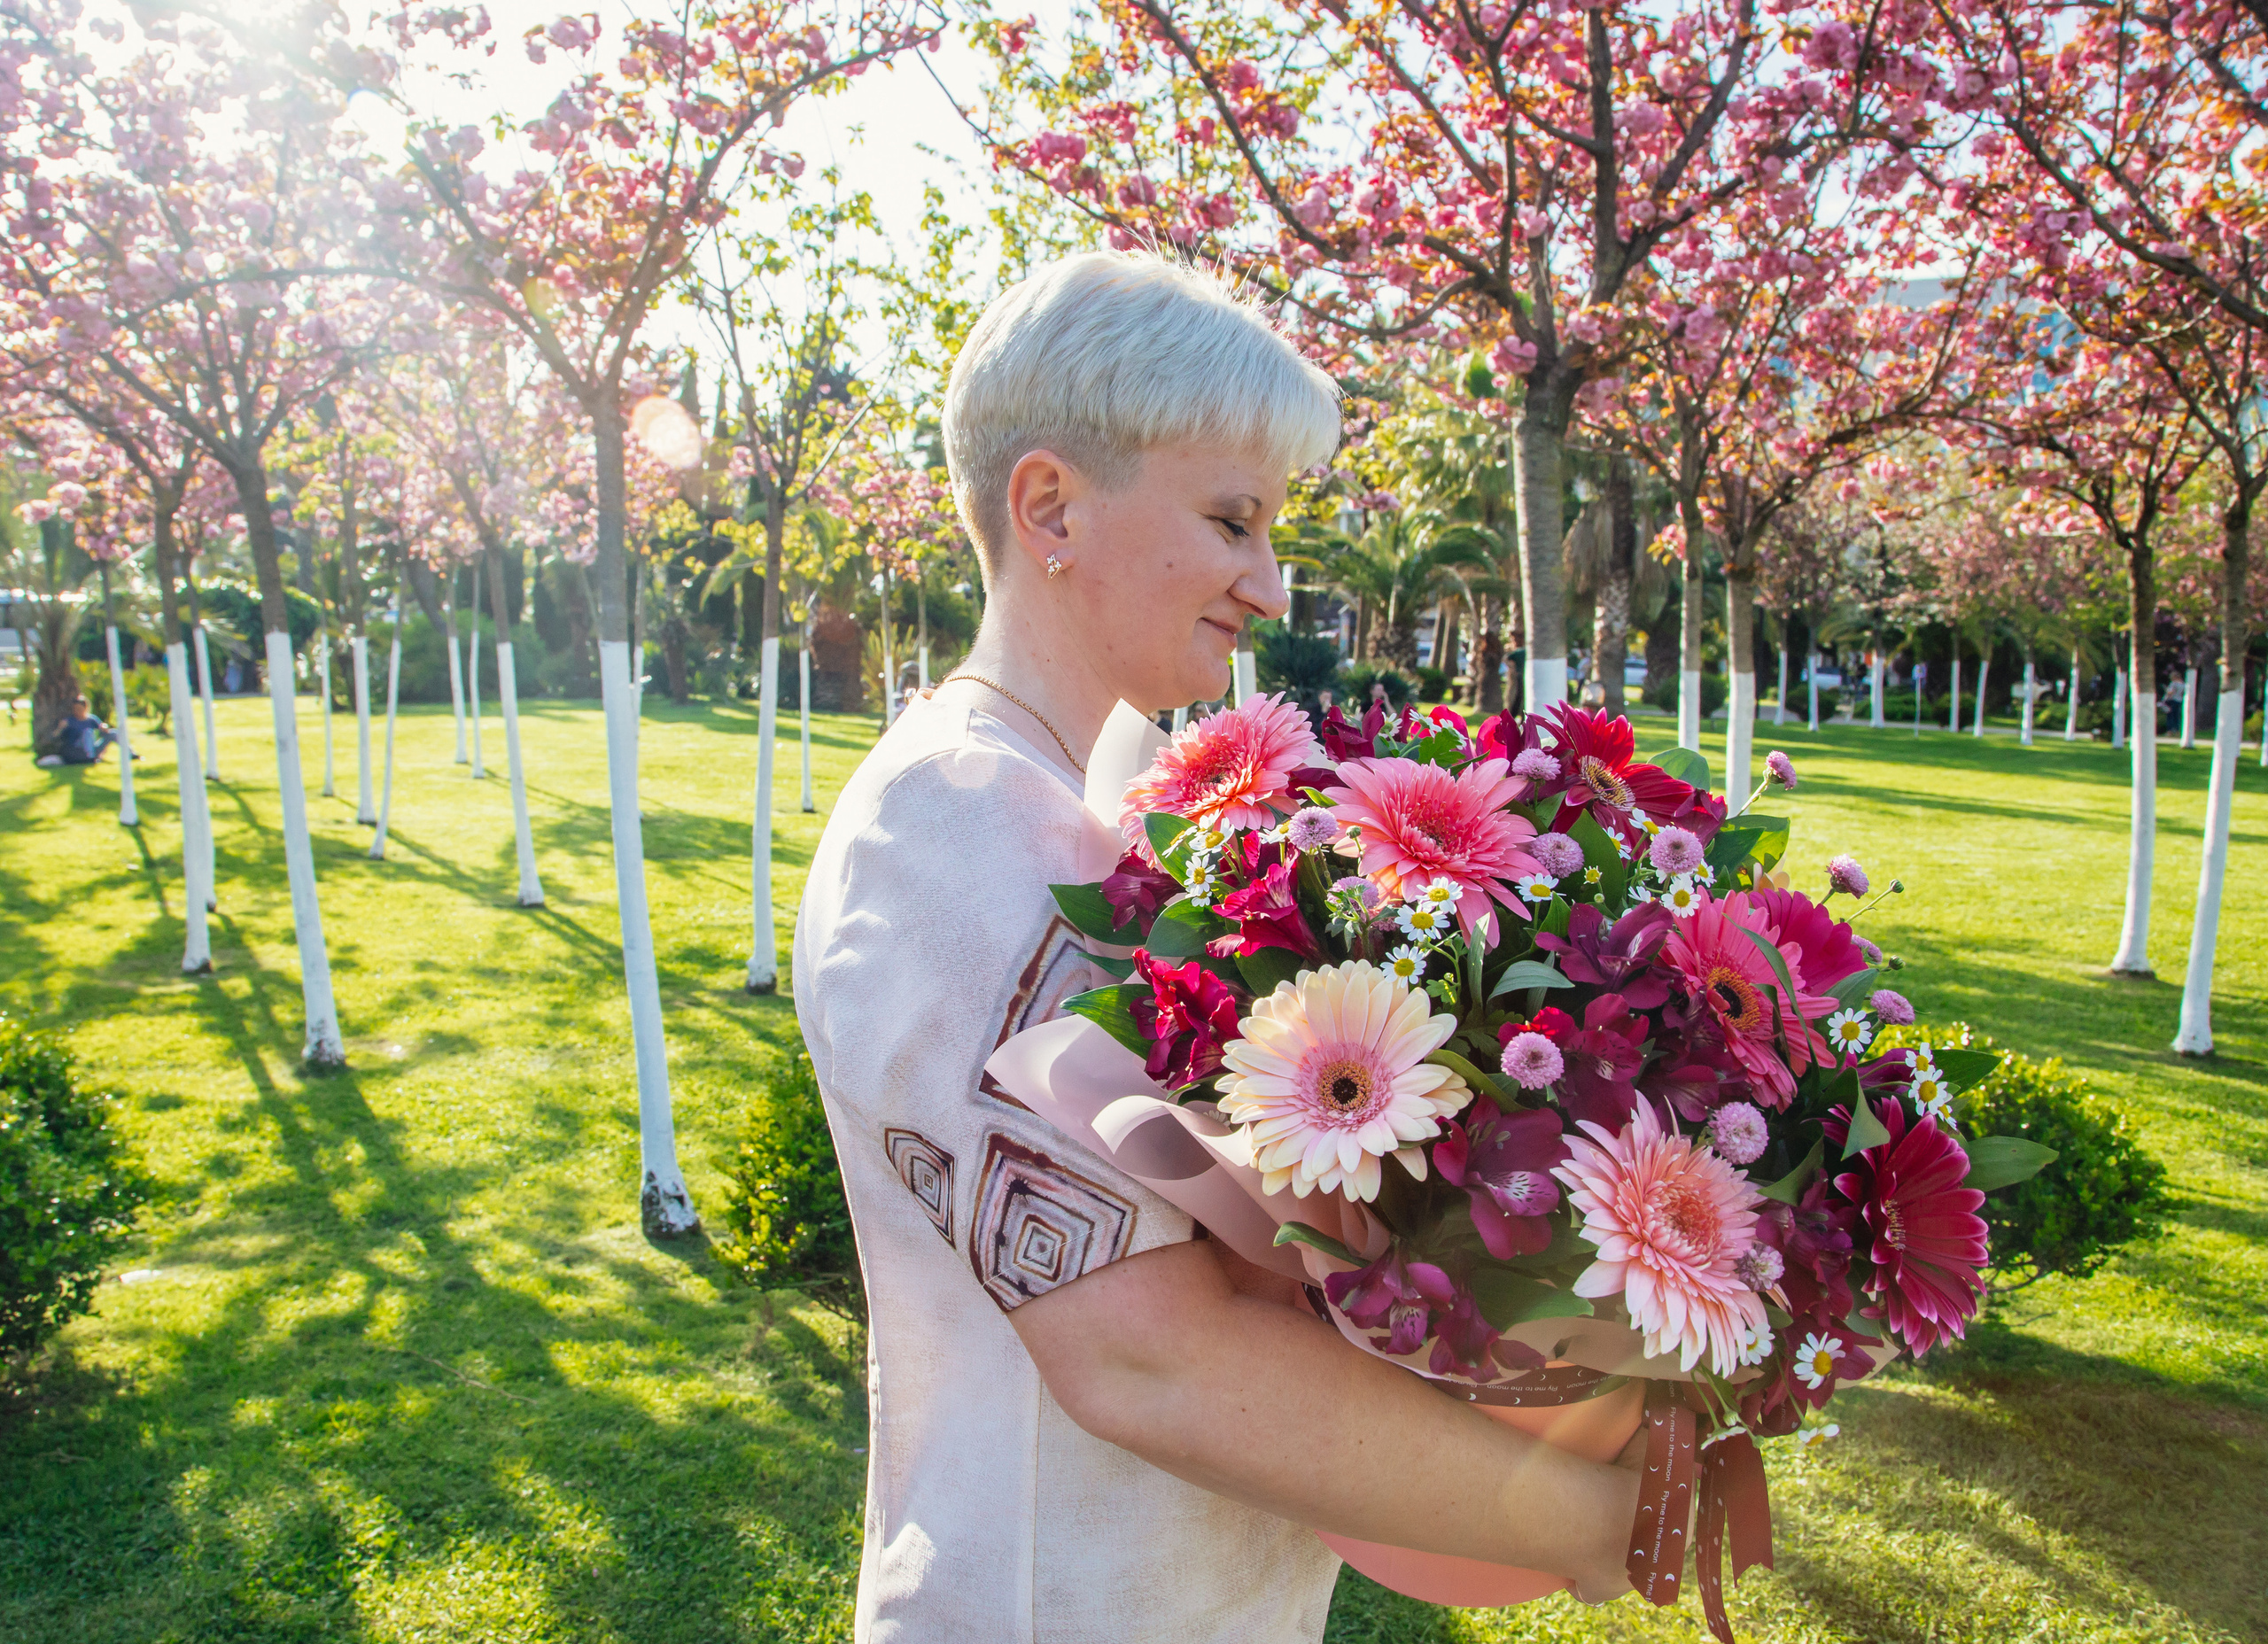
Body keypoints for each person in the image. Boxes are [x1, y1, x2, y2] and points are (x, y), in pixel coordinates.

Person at [794, 252, 1644, 1642]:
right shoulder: (946, 828)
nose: (1267, 580)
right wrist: (1590, 1520)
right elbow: (1144, 1359)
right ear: (1050, 506)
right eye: (1233, 519)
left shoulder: (1095, 793)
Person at [51, 693, 118, 766]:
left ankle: (130, 753)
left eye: (79, 709)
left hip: (92, 748)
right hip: (77, 749)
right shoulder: (69, 721)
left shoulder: (92, 719)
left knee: (114, 733)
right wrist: (60, 728)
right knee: (87, 732)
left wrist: (104, 727)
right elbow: (55, 735)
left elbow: (102, 728)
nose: (77, 711)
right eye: (75, 709)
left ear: (85, 708)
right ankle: (90, 758)